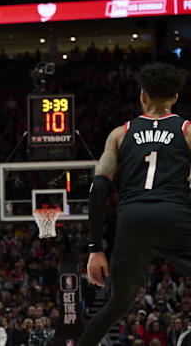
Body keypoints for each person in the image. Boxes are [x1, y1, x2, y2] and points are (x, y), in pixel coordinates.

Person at [79, 63, 191, 346]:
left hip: (131, 219)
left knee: (117, 305)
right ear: (175, 98)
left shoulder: (120, 133)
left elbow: (99, 188)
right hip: (173, 215)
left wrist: (95, 249)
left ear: (143, 96)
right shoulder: (188, 130)